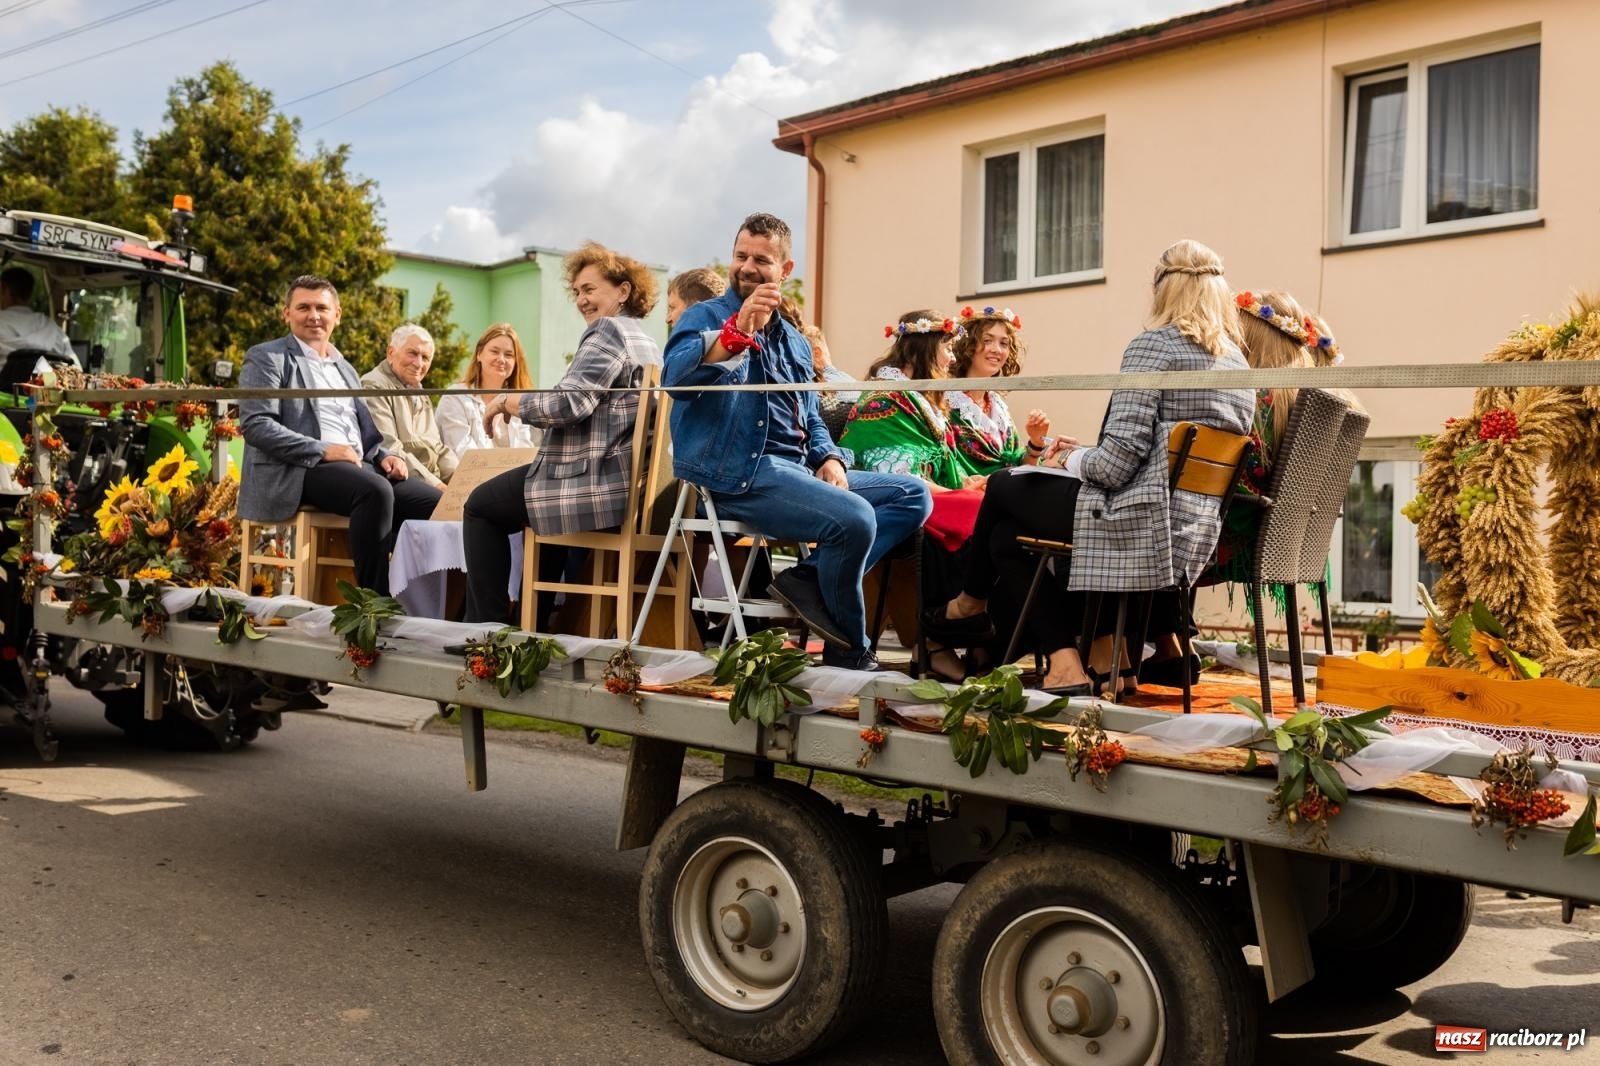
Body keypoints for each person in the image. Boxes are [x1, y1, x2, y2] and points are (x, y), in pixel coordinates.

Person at [923, 239, 1254, 696]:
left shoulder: (1154, 346)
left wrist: (1068, 458)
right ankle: (1066, 662)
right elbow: (1157, 451)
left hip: (1137, 518)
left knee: (1002, 487)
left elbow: (1116, 468)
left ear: (1163, 288)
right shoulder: (1238, 364)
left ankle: (969, 606)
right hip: (1190, 529)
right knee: (1003, 538)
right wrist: (1086, 452)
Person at [664, 212, 931, 672]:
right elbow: (675, 379)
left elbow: (811, 416)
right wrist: (737, 333)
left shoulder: (794, 342)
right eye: (740, 256)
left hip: (796, 473)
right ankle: (849, 650)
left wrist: (830, 458)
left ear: (785, 271)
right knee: (854, 517)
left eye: (762, 260)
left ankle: (806, 577)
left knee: (914, 495)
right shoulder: (703, 316)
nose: (747, 267)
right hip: (738, 474)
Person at [461, 242, 660, 627]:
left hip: (594, 487)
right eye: (577, 292)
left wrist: (507, 403)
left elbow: (569, 404)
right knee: (536, 505)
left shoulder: (608, 331)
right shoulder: (647, 340)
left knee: (480, 506)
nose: (582, 300)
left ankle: (484, 628)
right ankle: (534, 625)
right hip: (624, 487)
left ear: (623, 291)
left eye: (590, 289)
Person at [238, 275, 440, 597]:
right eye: (303, 307)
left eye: (322, 307)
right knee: (374, 491)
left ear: (337, 315)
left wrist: (386, 455)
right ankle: (373, 604)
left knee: (434, 502)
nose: (314, 315)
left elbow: (368, 436)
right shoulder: (268, 356)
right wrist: (322, 450)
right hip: (302, 468)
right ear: (286, 314)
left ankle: (419, 602)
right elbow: (256, 424)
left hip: (357, 465)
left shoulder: (343, 367)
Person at [838, 311, 976, 494]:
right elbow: (899, 480)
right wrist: (957, 495)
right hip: (906, 502)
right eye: (949, 348)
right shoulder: (883, 400)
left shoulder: (917, 397)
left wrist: (967, 482)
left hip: (932, 495)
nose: (953, 358)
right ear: (924, 350)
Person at [946, 305, 1050, 479]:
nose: (997, 350)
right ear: (967, 345)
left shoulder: (997, 406)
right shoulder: (945, 403)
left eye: (1004, 343)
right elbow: (944, 464)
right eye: (987, 340)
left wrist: (1036, 442)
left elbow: (1020, 469)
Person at [359, 323, 458, 490]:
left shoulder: (418, 391)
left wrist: (464, 478)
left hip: (426, 478)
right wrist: (437, 485)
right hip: (396, 477)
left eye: (425, 358)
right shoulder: (374, 385)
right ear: (391, 353)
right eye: (412, 353)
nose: (419, 363)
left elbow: (437, 448)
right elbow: (389, 447)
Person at [435, 323, 538, 458]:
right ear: (479, 354)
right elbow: (463, 455)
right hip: (469, 477)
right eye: (494, 351)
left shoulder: (516, 400)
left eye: (508, 355)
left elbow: (524, 452)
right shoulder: (455, 397)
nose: (501, 359)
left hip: (512, 477)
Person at [0, 267, 75, 363]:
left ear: (3, 288)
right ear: (29, 293)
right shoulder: (53, 329)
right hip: (48, 378)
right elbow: (74, 366)